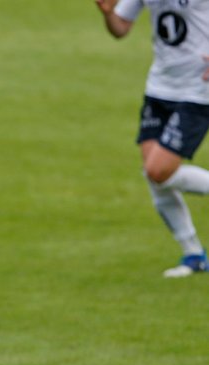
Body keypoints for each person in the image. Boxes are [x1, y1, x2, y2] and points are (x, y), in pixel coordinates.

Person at [97, 0, 209, 277]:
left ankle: (194, 254)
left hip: (199, 90)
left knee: (157, 170)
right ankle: (193, 254)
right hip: (160, 88)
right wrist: (109, 13)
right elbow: (120, 29)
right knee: (154, 174)